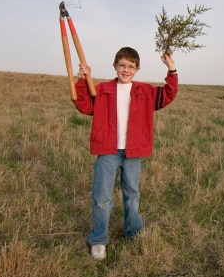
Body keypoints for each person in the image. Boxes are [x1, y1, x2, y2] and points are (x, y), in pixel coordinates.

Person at [74, 47, 178, 260]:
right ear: (115, 66)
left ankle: (133, 231)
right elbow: (83, 105)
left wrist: (171, 69)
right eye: (122, 65)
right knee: (102, 198)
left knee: (132, 195)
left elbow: (168, 94)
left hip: (132, 152)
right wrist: (82, 79)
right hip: (108, 151)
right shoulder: (102, 89)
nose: (126, 70)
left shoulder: (145, 91)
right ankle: (99, 240)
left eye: (131, 66)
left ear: (137, 69)